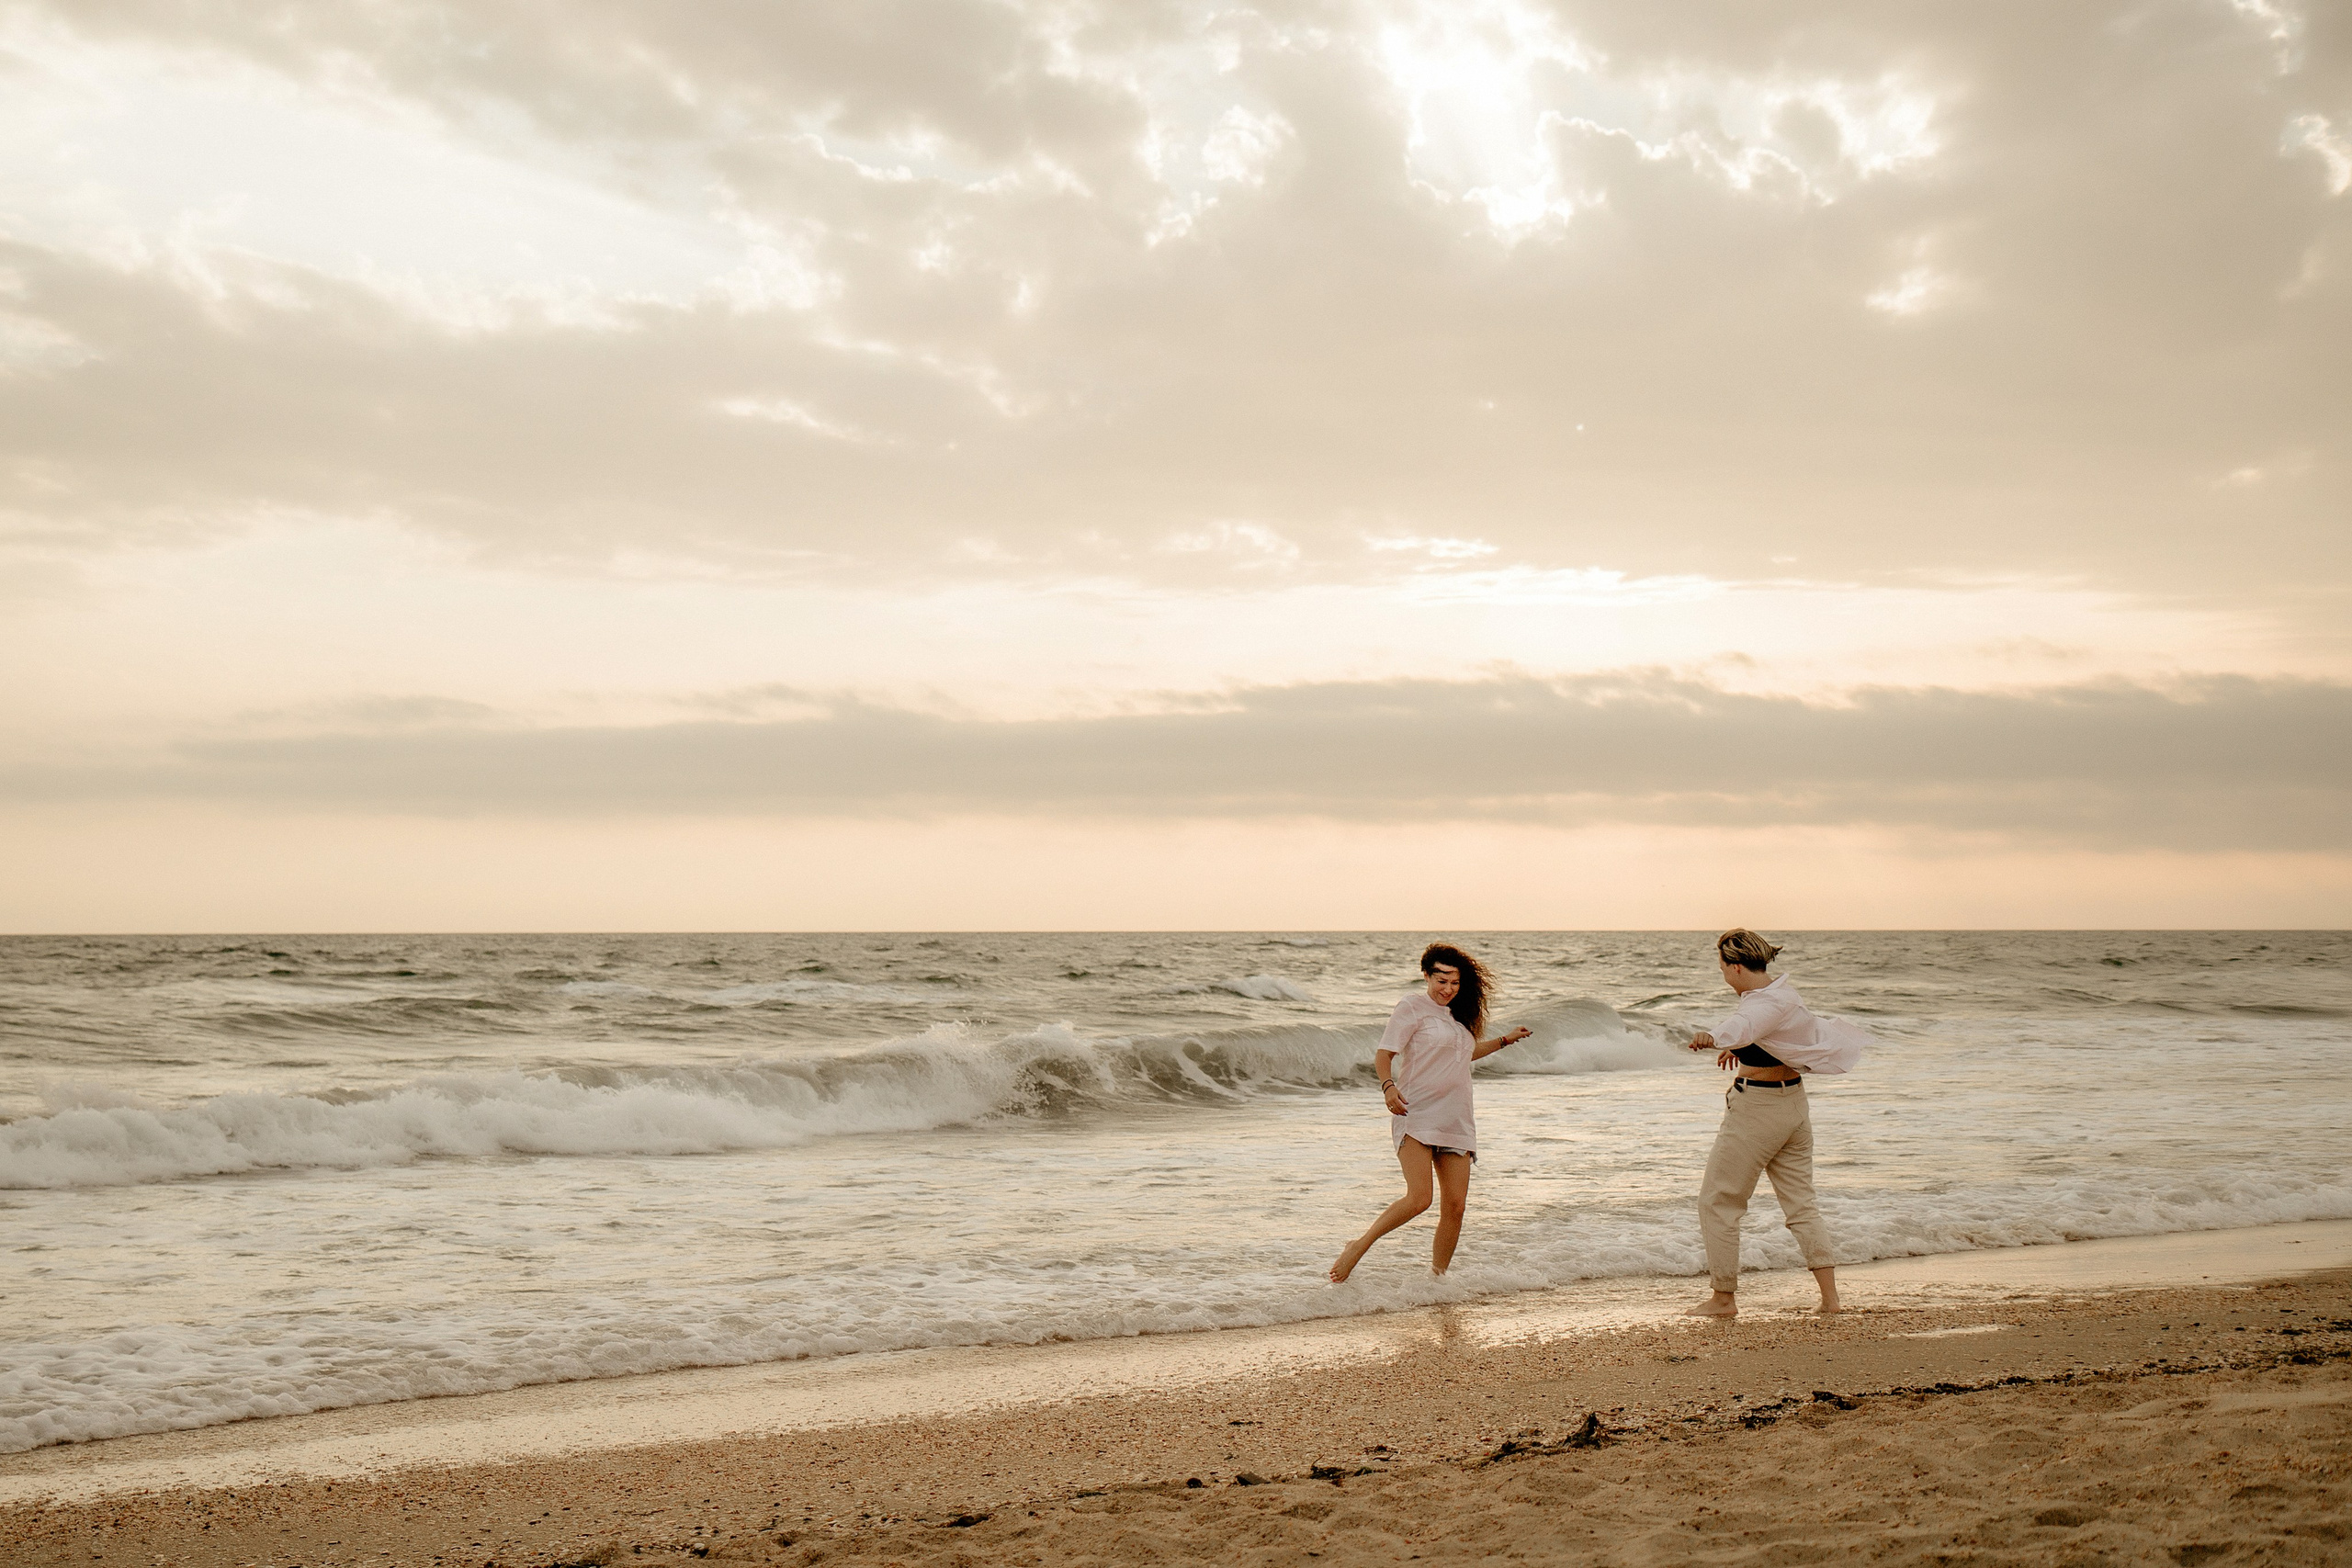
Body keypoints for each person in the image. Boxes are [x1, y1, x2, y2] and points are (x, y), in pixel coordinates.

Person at [1681, 928, 1865, 1318]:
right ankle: (1831, 1299)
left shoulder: (1761, 1004)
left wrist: (1713, 1037)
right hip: (1794, 1106)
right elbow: (1774, 1032)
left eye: (1722, 966)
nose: (1722, 974)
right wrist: (1743, 1048)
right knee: (1801, 1204)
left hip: (1758, 1111)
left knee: (1718, 1201)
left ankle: (1723, 1299)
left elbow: (1745, 1022)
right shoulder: (1784, 995)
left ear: (1735, 966)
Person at [1329, 943, 1531, 1282]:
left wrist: (1505, 1040)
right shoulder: (1411, 1007)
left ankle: (1438, 1281)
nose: (1448, 989)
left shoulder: (1458, 1014)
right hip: (1416, 1112)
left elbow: (1464, 1053)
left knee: (1455, 1207)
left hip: (1456, 1117)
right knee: (1419, 1198)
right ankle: (1358, 1246)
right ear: (1426, 975)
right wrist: (1388, 1087)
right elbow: (1384, 1054)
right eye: (1442, 980)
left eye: (1455, 982)